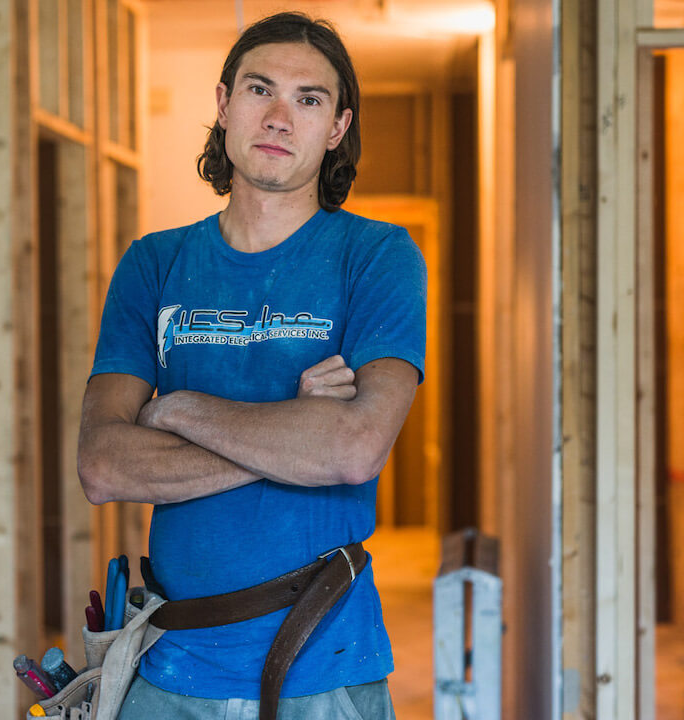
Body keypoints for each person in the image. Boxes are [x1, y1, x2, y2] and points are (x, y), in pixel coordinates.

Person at [77, 11, 425, 720]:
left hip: (324, 668)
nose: (278, 115)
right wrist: (298, 431)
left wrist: (180, 410)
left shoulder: (379, 258)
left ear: (337, 127)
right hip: (168, 670)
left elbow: (357, 450)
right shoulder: (153, 264)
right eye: (259, 89)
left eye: (309, 99)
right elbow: (103, 466)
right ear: (224, 104)